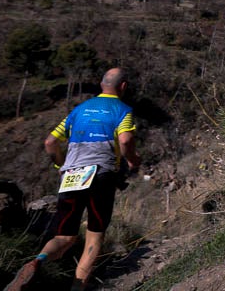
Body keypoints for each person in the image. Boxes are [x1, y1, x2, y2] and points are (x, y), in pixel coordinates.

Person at [7, 67, 141, 291]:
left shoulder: (78, 110)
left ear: (101, 85)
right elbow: (126, 141)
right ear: (123, 87)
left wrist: (61, 164)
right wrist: (133, 160)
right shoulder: (122, 110)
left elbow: (50, 142)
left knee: (64, 236)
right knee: (94, 237)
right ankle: (77, 288)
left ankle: (37, 261)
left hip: (72, 175)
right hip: (101, 175)